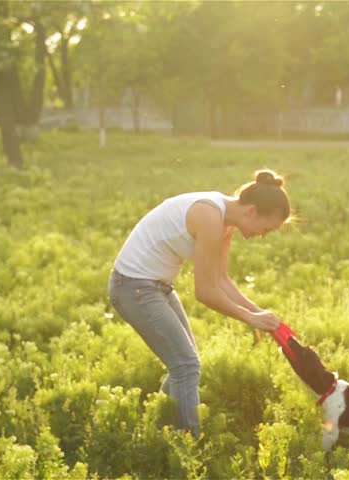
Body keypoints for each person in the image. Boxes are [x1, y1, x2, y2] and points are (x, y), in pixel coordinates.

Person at [107, 169, 290, 437]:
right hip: (133, 287)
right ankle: (187, 448)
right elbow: (205, 291)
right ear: (251, 211)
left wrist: (257, 312)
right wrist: (250, 319)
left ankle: (159, 431)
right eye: (266, 229)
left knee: (184, 365)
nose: (263, 236)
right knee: (185, 366)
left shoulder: (225, 221)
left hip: (157, 286)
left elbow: (221, 280)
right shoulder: (210, 217)